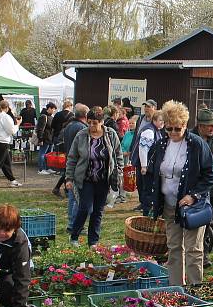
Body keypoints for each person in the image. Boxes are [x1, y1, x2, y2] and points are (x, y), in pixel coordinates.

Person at [144, 100, 213, 285]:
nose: (173, 133)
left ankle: (195, 289)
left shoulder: (197, 145)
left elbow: (211, 174)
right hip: (169, 205)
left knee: (193, 249)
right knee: (174, 248)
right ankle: (176, 289)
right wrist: (151, 199)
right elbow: (153, 174)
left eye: (177, 128)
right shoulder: (160, 145)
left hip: (193, 206)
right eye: (169, 129)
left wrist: (193, 196)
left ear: (185, 125)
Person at [65, 106, 123, 247]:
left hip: (103, 179)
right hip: (86, 179)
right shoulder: (81, 135)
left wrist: (119, 173)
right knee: (85, 208)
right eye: (89, 122)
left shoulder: (110, 135)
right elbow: (72, 158)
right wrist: (69, 178)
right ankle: (74, 236)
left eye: (95, 123)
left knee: (98, 211)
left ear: (101, 122)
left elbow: (118, 155)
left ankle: (93, 241)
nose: (91, 125)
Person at [192, 109, 213, 268]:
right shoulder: (190, 139)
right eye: (209, 125)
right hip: (194, 189)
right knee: (194, 222)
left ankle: (203, 254)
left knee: (206, 222)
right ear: (200, 125)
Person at [61, 104, 88, 233]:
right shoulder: (82, 128)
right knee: (78, 198)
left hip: (69, 162)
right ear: (85, 115)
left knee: (72, 197)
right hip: (78, 165)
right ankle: (75, 225)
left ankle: (71, 223)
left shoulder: (69, 126)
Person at [138, 111, 166, 214]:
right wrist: (144, 166)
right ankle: (146, 214)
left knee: (152, 191)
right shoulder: (149, 131)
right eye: (160, 120)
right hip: (148, 167)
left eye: (163, 120)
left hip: (154, 167)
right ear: (154, 120)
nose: (162, 122)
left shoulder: (157, 130)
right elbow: (143, 149)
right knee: (148, 191)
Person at [133, 99, 158, 210]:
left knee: (147, 181)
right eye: (145, 106)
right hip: (139, 152)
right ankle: (142, 202)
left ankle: (147, 203)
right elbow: (136, 134)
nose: (147, 108)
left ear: (154, 108)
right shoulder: (141, 118)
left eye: (149, 106)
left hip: (150, 155)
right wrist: (131, 148)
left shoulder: (157, 121)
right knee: (139, 180)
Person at [36, 102, 57, 175]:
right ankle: (41, 169)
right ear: (49, 108)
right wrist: (40, 139)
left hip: (50, 139)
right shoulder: (43, 116)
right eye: (53, 109)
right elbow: (40, 129)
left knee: (48, 154)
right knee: (42, 154)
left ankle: (47, 168)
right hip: (45, 138)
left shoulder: (51, 117)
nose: (54, 111)